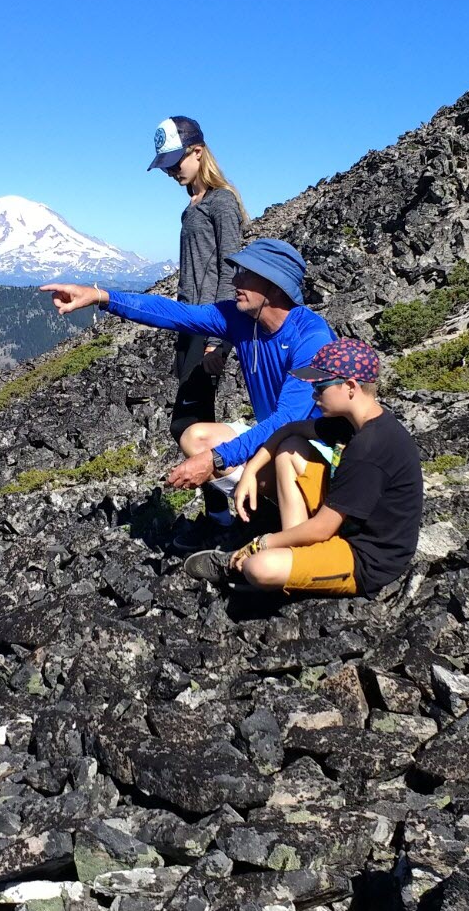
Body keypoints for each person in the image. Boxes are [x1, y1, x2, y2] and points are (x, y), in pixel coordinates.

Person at [41, 238, 336, 546]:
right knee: (195, 437)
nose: (235, 280)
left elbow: (288, 420)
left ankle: (300, 539)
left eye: (246, 275)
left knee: (287, 443)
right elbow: (176, 314)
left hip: (318, 457)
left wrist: (216, 459)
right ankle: (251, 518)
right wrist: (100, 297)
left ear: (276, 286)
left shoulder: (311, 338)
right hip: (277, 445)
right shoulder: (240, 319)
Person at [184, 337, 423, 597]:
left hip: (366, 557)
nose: (314, 394)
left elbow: (322, 528)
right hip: (345, 523)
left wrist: (260, 544)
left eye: (320, 386)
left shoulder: (369, 448)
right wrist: (250, 472)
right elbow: (290, 429)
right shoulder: (353, 423)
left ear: (350, 387)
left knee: (260, 567)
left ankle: (267, 568)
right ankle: (295, 553)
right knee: (291, 447)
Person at [147, 115, 249, 444]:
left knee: (187, 426)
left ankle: (247, 477)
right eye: (166, 165)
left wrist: (218, 339)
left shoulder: (221, 201)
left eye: (176, 162)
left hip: (208, 323)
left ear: (198, 152)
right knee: (199, 421)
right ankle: (227, 493)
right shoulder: (193, 205)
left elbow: (230, 268)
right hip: (189, 323)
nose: (171, 171)